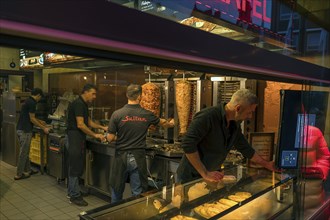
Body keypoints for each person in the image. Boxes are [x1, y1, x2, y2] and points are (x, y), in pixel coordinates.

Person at [177, 89, 276, 183]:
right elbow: (187, 144)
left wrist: (267, 164)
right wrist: (205, 173)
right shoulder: (208, 116)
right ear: (238, 108)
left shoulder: (234, 124)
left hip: (211, 175)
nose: (250, 116)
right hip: (190, 177)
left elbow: (245, 148)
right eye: (249, 112)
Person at [106, 84, 174, 203]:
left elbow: (110, 138)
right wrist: (172, 123)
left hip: (121, 156)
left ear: (127, 95)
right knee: (137, 192)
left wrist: (121, 137)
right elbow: (163, 123)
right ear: (140, 97)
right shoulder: (146, 114)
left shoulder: (117, 114)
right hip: (138, 157)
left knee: (117, 189)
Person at [66, 83, 107, 206]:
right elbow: (80, 124)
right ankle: (74, 196)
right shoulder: (78, 104)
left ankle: (73, 191)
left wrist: (102, 127)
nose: (94, 97)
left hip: (78, 138)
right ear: (85, 92)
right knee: (75, 166)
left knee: (76, 165)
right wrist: (95, 135)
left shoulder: (83, 104)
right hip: (74, 137)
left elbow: (88, 122)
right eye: (93, 93)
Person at [14, 88, 50, 180]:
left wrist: (40, 121)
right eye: (40, 97)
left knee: (25, 152)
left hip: (20, 129)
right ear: (38, 95)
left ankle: (28, 169)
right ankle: (19, 174)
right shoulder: (33, 103)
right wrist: (44, 128)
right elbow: (32, 119)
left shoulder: (28, 101)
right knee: (23, 153)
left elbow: (30, 117)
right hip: (25, 131)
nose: (39, 99)